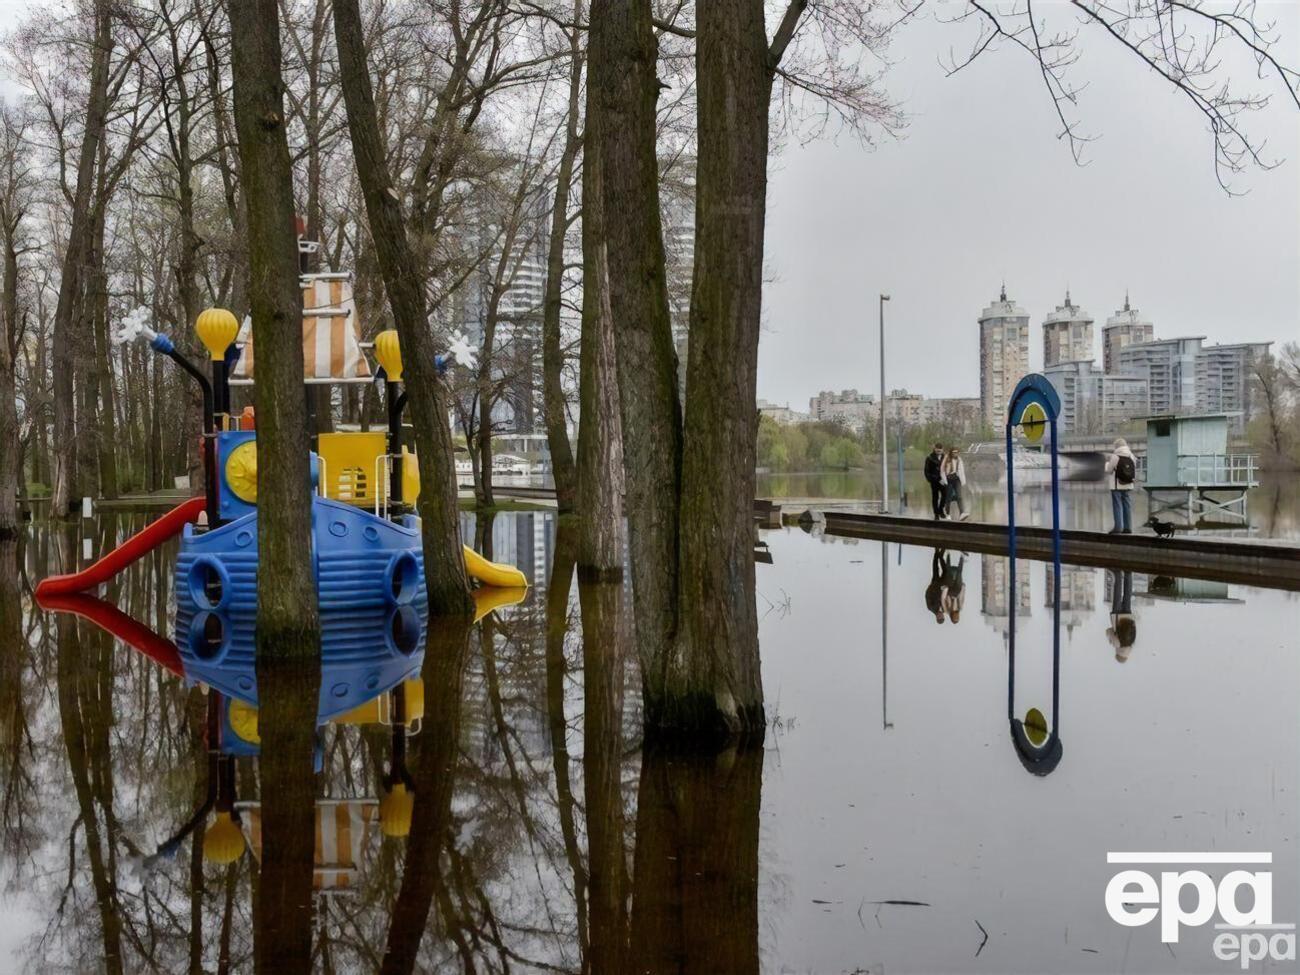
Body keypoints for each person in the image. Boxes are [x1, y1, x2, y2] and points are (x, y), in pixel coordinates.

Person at [1104, 437, 1137, 534]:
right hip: (1128, 483)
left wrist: (1106, 465)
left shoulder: (1115, 456)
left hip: (1117, 485)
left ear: (1116, 446)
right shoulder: (1132, 456)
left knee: (1117, 505)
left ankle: (1118, 527)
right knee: (1127, 505)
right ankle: (1128, 528)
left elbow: (1109, 470)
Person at [1106, 569, 1136, 662]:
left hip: (1128, 616)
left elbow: (1134, 628)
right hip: (1117, 616)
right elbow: (1108, 631)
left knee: (1127, 595)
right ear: (1118, 654)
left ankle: (1128, 574)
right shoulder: (1117, 644)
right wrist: (1110, 639)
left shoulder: (1131, 642)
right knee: (1117, 595)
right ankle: (1117, 574)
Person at [941, 447, 970, 521]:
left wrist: (963, 482)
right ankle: (947, 514)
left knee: (959, 497)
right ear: (951, 452)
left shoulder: (959, 459)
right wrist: (945, 481)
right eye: (954, 452)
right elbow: (942, 471)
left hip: (956, 479)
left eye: (957, 452)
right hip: (949, 479)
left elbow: (961, 471)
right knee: (949, 498)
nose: (955, 453)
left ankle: (962, 513)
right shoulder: (946, 459)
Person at [924, 442, 947, 520]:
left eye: (940, 451)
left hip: (943, 481)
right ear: (934, 449)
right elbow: (926, 471)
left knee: (945, 496)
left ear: (942, 450)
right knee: (935, 497)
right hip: (934, 481)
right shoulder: (929, 457)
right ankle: (936, 514)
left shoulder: (945, 457)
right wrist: (933, 479)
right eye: (937, 451)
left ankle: (941, 510)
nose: (939, 452)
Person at [942, 552, 966, 623]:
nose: (957, 616)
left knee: (949, 573)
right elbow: (962, 597)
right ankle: (962, 556)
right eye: (958, 618)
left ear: (952, 617)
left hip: (949, 591)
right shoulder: (959, 608)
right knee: (959, 574)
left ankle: (948, 554)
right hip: (957, 591)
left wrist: (945, 590)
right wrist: (963, 588)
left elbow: (943, 599)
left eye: (955, 618)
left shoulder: (947, 610)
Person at [925, 549, 947, 623]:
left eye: (939, 617)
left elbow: (927, 595)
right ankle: (941, 555)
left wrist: (932, 586)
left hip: (935, 584)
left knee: (935, 568)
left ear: (936, 617)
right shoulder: (944, 609)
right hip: (942, 586)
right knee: (945, 571)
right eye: (942, 617)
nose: (941, 615)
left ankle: (936, 552)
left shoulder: (931, 607)